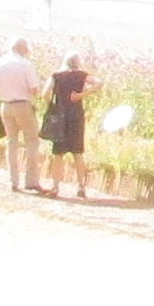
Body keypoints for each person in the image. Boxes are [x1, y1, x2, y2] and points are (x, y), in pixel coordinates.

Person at [0, 39, 45, 191]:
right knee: (31, 142)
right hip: (23, 104)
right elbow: (34, 88)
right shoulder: (25, 64)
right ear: (21, 48)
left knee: (11, 142)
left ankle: (13, 181)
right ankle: (31, 180)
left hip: (5, 105)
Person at [42, 53, 91, 200]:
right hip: (76, 117)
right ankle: (81, 187)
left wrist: (51, 106)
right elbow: (98, 83)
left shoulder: (57, 76)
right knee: (77, 153)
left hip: (61, 117)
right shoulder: (82, 75)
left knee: (58, 153)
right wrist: (83, 95)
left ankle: (55, 186)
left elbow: (45, 93)